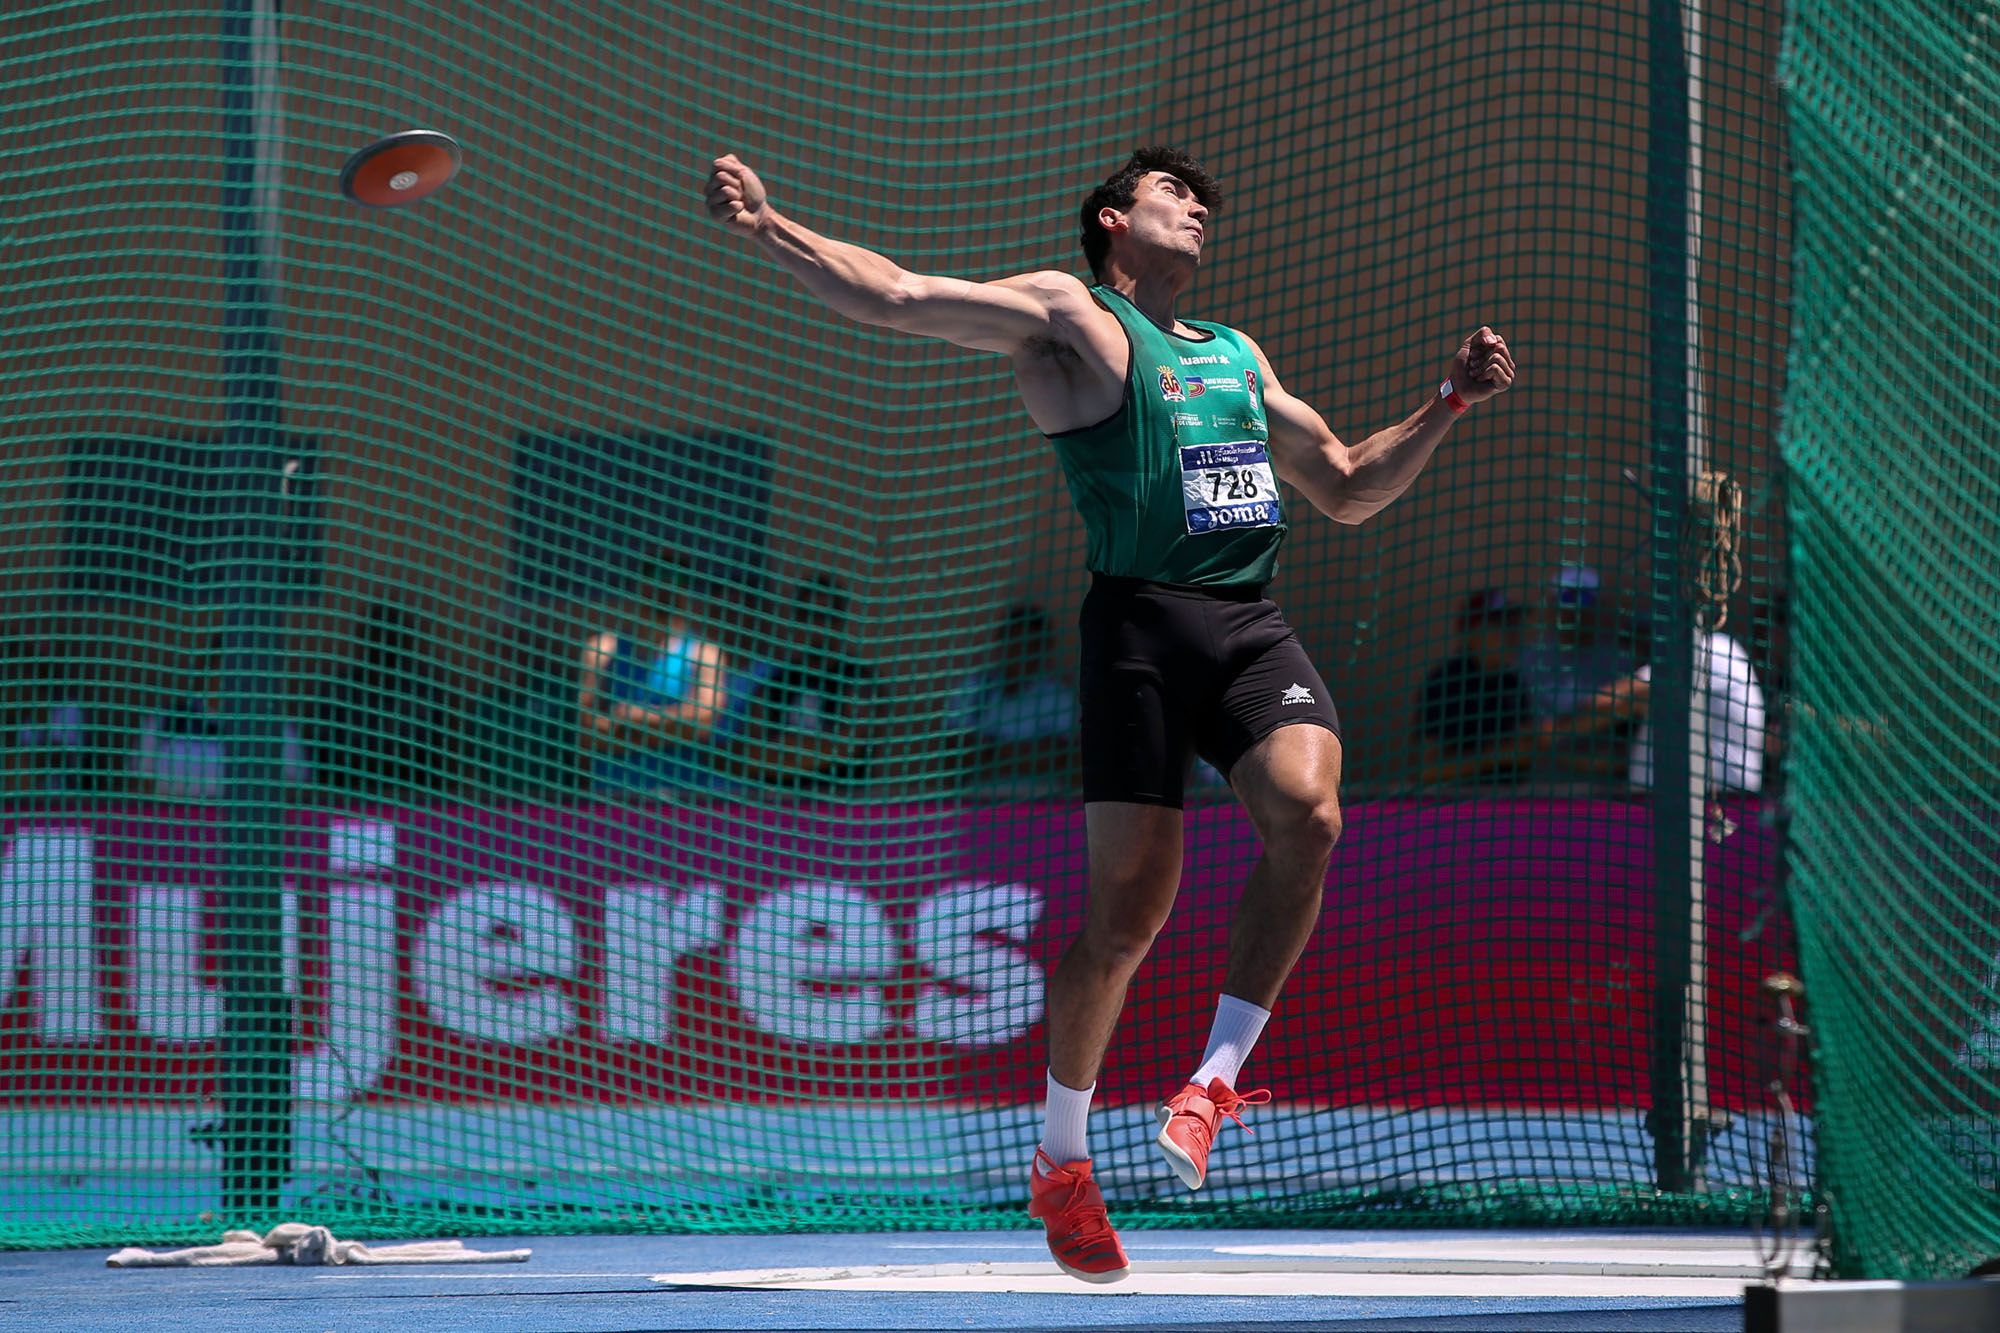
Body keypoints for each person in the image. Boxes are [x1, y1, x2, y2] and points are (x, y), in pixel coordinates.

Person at [707, 145, 1515, 1282]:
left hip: (1246, 627)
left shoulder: (1235, 355)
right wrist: (769, 229)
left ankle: (1212, 1083)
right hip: (1136, 633)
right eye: (1171, 195)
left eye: (1200, 202)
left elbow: (1340, 483)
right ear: (1111, 219)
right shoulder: (1066, 315)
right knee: (1127, 919)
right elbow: (892, 295)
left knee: (1312, 815)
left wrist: (1448, 403)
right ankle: (1061, 1159)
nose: (1195, 210)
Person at [579, 553, 729, 797]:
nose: (663, 590)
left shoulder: (704, 654)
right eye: (656, 580)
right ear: (639, 587)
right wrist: (674, 727)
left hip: (685, 800)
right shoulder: (604, 650)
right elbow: (588, 733)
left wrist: (634, 719)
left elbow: (704, 725)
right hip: (614, 798)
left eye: (675, 583)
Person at [729, 576, 872, 791]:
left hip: (838, 804)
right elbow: (750, 754)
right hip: (776, 804)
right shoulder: (775, 681)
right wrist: (818, 750)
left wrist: (784, 750)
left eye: (825, 616)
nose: (816, 625)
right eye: (808, 615)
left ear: (840, 622)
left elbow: (849, 747)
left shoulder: (856, 680)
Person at [1414, 589, 1543, 786]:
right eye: (1500, 624)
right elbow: (1426, 770)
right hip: (1452, 807)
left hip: (1510, 805)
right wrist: (1493, 756)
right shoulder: (1445, 685)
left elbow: (1525, 747)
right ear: (1472, 631)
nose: (1513, 634)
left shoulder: (1512, 683)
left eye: (1514, 623)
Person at [947, 602, 1079, 789]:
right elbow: (955, 754)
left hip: (1040, 799)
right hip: (978, 797)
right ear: (1002, 642)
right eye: (1015, 643)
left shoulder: (1058, 697)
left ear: (1044, 649)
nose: (1021, 653)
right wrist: (1020, 752)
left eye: (1030, 646)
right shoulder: (972, 690)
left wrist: (989, 750)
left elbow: (1051, 758)